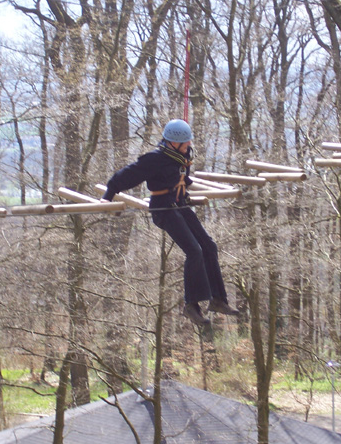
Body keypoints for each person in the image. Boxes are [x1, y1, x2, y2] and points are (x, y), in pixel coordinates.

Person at [100, 119, 239, 326]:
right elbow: (127, 175)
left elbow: (180, 177)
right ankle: (191, 306)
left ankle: (218, 299)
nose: (189, 145)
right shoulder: (155, 159)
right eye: (185, 142)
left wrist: (193, 184)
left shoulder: (181, 156)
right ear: (173, 142)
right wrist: (108, 195)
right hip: (163, 209)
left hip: (180, 205)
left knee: (209, 246)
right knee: (194, 251)